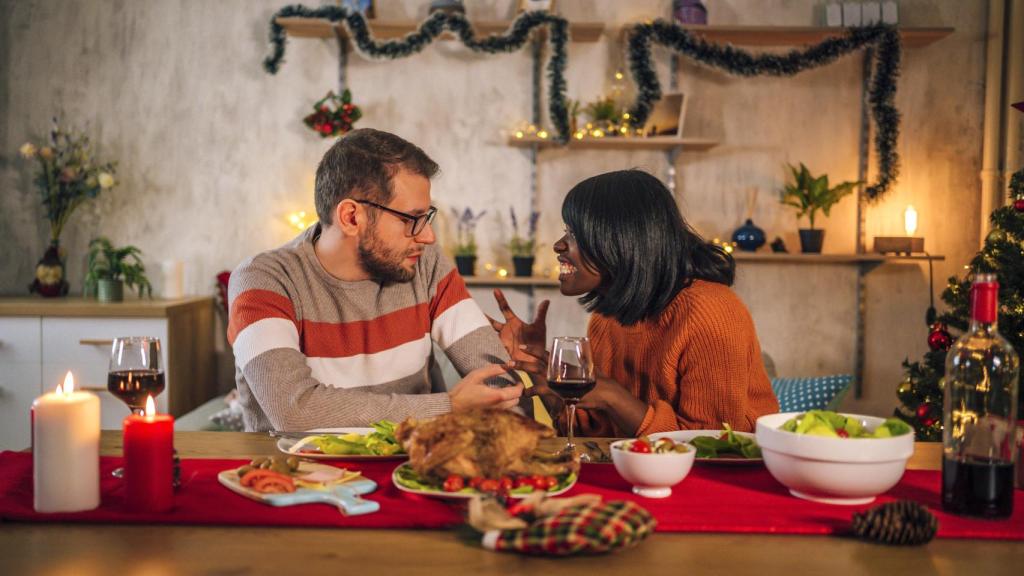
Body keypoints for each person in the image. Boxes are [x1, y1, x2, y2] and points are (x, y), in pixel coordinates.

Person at [229, 128, 523, 432]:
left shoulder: (425, 263)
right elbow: (294, 411)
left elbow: (498, 384)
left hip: (411, 472)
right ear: (351, 217)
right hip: (298, 477)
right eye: (411, 219)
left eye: (427, 217)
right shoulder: (263, 280)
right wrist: (446, 408)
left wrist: (518, 377)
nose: (428, 236)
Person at [490, 169, 778, 437]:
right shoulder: (606, 319)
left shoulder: (711, 312)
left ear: (621, 239)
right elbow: (596, 436)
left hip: (731, 481)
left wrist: (612, 395)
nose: (559, 245)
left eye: (575, 234)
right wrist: (542, 370)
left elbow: (712, 442)